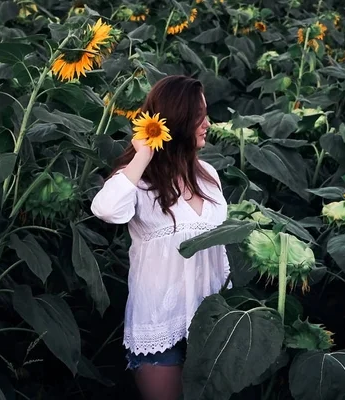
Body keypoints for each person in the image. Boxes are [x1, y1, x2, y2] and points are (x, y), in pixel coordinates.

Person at [91, 75, 230, 400]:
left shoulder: (208, 175)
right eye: (199, 116)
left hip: (210, 326)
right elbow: (106, 209)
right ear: (178, 120)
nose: (207, 124)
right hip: (160, 324)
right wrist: (143, 154)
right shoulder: (140, 181)